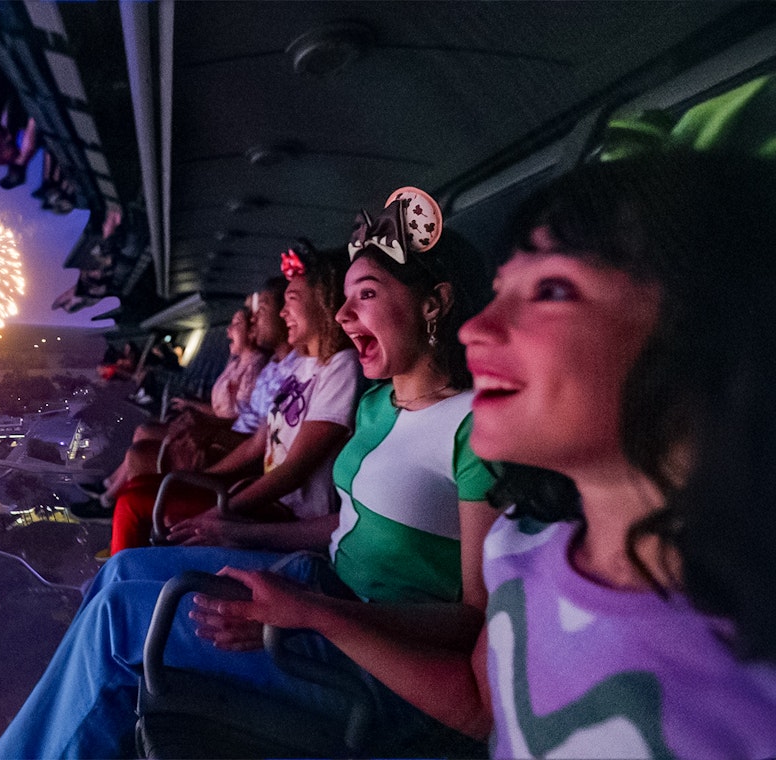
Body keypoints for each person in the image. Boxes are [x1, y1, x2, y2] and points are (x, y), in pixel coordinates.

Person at [213, 154, 776, 758]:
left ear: (701, 331)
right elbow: (486, 709)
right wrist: (318, 612)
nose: (477, 327)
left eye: (552, 289)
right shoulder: (518, 553)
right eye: (503, 289)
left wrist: (317, 612)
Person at [0, 188, 499, 759]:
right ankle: (71, 711)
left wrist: (316, 616)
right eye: (345, 298)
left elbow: (474, 621)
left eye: (368, 294)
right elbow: (340, 526)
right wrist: (240, 531)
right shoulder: (379, 404)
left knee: (117, 623)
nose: (344, 314)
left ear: (435, 304)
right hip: (317, 582)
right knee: (125, 569)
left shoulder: (476, 431)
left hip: (373, 651)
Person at [113, 243, 360, 552]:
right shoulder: (303, 367)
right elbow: (258, 443)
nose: (284, 313)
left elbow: (294, 470)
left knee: (135, 504)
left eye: (291, 301)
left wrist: (223, 511)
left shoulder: (342, 367)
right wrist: (199, 477)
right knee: (140, 487)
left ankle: (126, 572)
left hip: (289, 515)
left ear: (322, 303)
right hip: (264, 498)